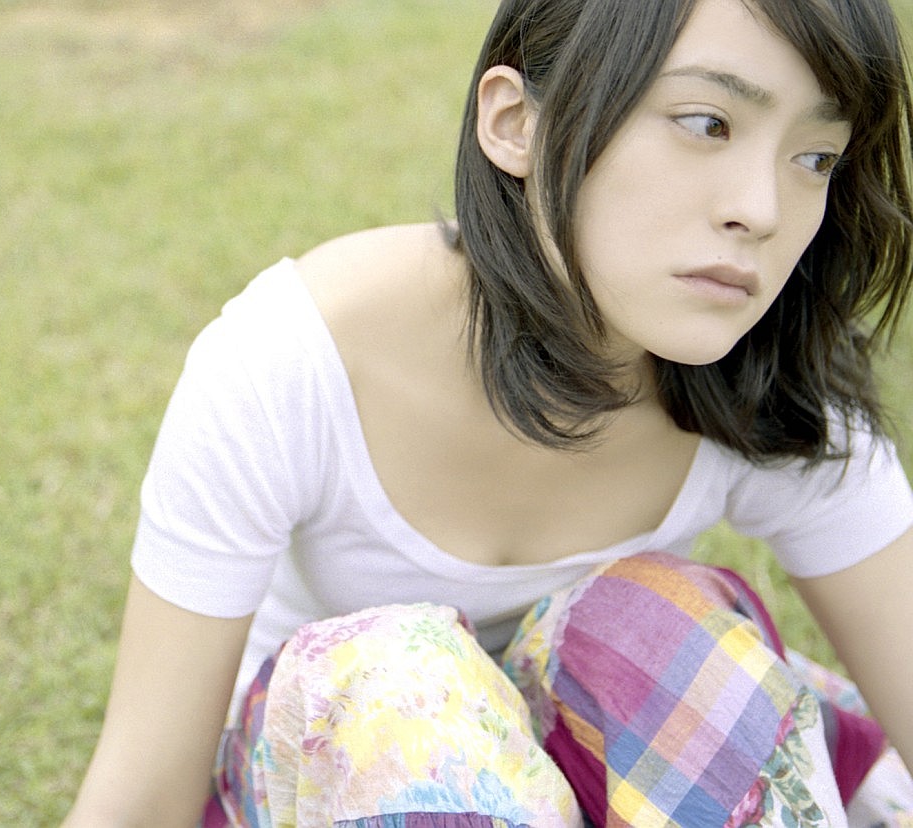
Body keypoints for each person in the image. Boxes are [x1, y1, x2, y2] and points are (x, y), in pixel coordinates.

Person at [65, 0, 913, 824]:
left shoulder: (777, 382)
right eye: (707, 123)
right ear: (516, 122)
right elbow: (142, 798)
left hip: (623, 778)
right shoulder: (299, 359)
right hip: (352, 788)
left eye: (816, 158)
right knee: (400, 682)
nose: (761, 211)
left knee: (653, 630)